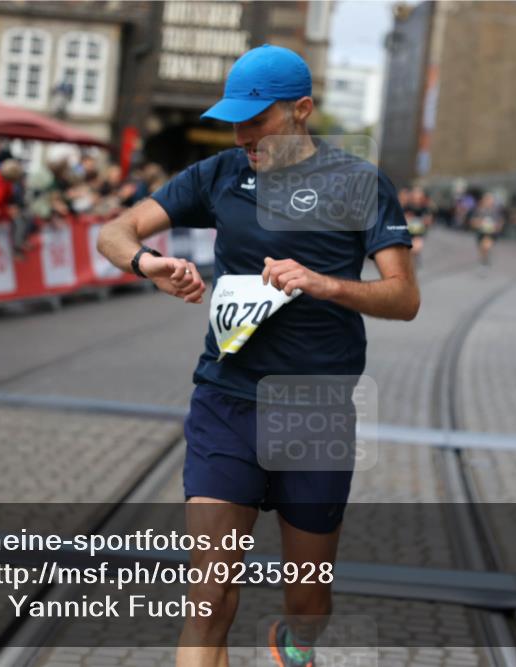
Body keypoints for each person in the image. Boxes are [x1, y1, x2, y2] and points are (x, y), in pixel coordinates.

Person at [96, 44, 419, 667]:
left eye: (258, 119)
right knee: (208, 600)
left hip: (315, 408)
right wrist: (149, 264)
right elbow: (115, 232)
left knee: (308, 600)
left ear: (302, 111)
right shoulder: (219, 175)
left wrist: (326, 284)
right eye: (234, 120)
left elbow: (404, 298)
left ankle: (295, 645)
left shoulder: (359, 183)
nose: (243, 134)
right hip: (226, 399)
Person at [471, 193, 502, 266]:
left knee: (486, 246)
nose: (489, 202)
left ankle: (485, 260)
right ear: (483, 201)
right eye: (487, 200)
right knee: (482, 248)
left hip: (491, 233)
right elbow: (472, 222)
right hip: (481, 232)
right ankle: (483, 259)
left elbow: (500, 222)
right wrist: (479, 223)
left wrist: (496, 227)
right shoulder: (479, 211)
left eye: (490, 200)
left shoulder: (496, 212)